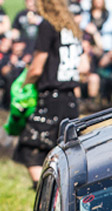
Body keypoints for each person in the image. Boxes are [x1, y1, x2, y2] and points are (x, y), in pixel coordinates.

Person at [12, 0, 82, 185]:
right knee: (63, 150)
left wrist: (22, 86)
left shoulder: (47, 25)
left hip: (50, 98)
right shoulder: (70, 26)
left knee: (30, 148)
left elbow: (36, 68)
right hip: (70, 99)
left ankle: (44, 193)